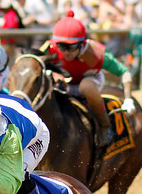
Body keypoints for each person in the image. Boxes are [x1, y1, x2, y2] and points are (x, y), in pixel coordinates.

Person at [47, 10, 135, 146]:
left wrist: (128, 98)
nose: (65, 52)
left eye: (70, 47)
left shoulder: (96, 54)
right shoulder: (50, 50)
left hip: (91, 81)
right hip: (65, 84)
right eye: (61, 46)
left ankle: (105, 126)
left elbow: (124, 72)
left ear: (82, 44)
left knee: (86, 86)